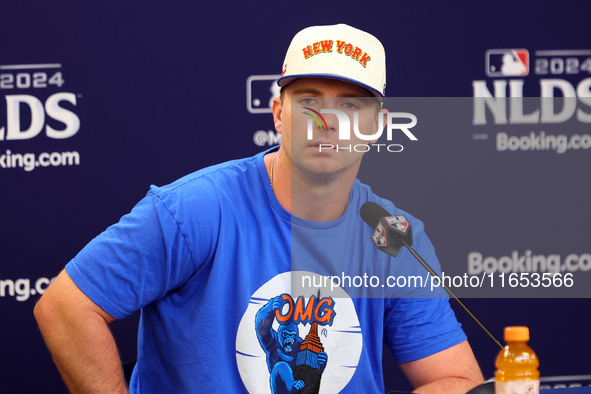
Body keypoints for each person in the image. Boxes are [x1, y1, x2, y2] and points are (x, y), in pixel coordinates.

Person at [34, 24, 484, 393]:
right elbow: (65, 308)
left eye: (351, 105)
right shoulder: (198, 208)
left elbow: (455, 377)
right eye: (309, 101)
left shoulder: (391, 235)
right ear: (278, 113)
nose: (328, 122)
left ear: (378, 126)